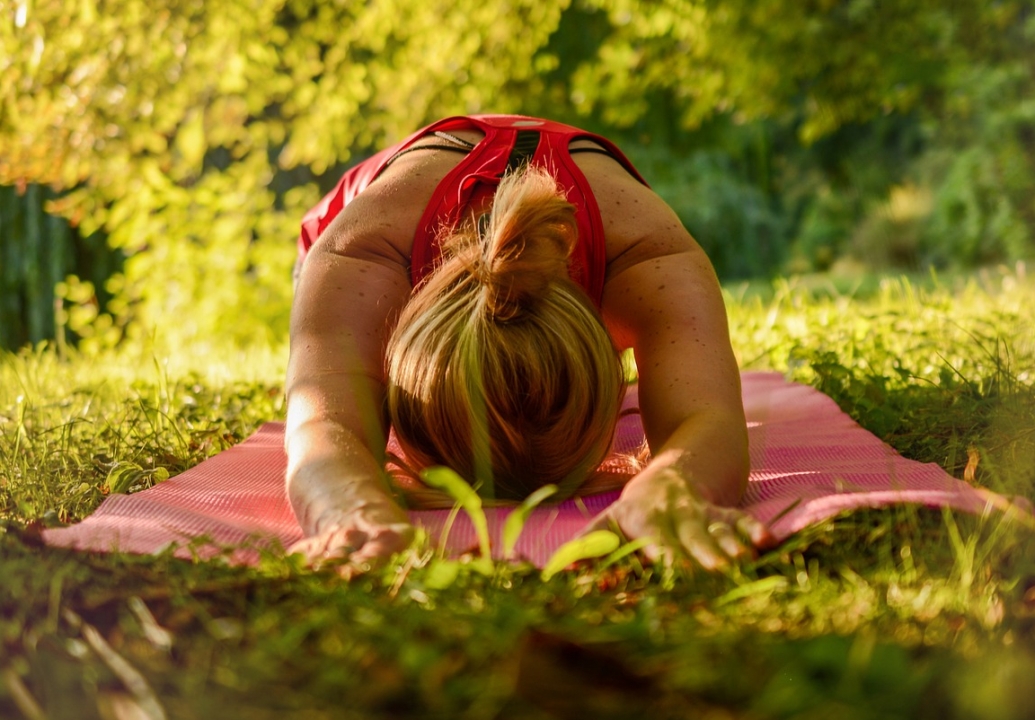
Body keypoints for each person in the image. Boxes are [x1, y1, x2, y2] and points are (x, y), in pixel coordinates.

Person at [285, 114, 773, 573]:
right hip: (374, 213)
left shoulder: (648, 255)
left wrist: (676, 486)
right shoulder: (361, 253)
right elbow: (320, 421)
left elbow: (708, 420)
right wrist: (348, 505)